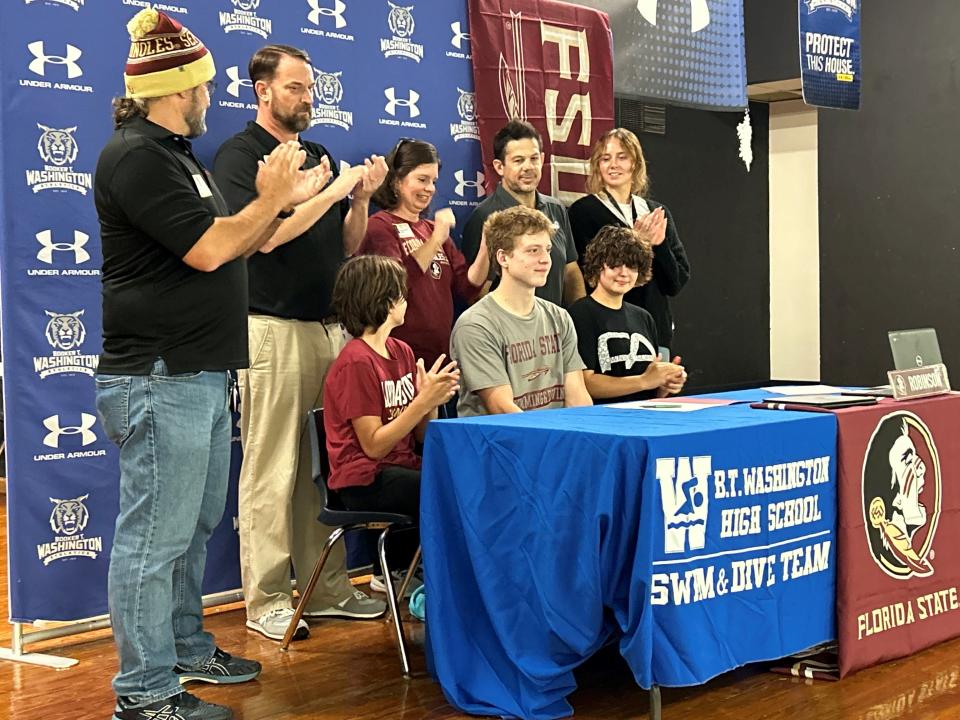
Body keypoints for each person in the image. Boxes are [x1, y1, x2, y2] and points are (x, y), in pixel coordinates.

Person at [94, 10, 308, 720]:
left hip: (200, 374)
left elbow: (230, 239)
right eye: (205, 85)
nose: (211, 96)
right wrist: (273, 199)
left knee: (192, 528)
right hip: (161, 377)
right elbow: (210, 250)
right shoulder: (136, 157)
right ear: (177, 88)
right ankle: (144, 693)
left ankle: (185, 645)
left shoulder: (179, 154)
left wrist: (274, 210)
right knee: (154, 541)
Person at [213, 44, 388, 643]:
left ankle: (327, 587)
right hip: (270, 328)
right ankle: (264, 599)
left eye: (310, 87)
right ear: (263, 91)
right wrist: (330, 192)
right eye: (294, 87)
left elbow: (346, 245)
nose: (307, 97)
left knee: (323, 467)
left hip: (327, 328)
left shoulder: (318, 155)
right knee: (269, 468)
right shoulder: (241, 156)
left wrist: (357, 198)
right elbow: (265, 237)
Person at [323, 255, 459, 581]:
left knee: (461, 476)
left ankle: (416, 572)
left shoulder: (402, 351)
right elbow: (373, 446)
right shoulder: (356, 361)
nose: (406, 299)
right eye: (400, 293)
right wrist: (420, 402)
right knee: (447, 487)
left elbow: (422, 436)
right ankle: (404, 573)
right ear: (382, 299)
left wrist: (431, 402)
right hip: (364, 479)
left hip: (399, 466)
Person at [359, 139, 488, 370]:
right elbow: (393, 286)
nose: (430, 188)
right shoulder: (380, 227)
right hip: (396, 359)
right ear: (397, 181)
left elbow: (468, 287)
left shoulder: (432, 229)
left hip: (439, 358)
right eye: (422, 179)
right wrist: (436, 239)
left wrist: (487, 245)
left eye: (434, 181)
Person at [450, 206, 592, 416]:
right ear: (503, 258)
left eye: (548, 250)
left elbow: (577, 397)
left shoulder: (559, 317)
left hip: (554, 439)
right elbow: (502, 408)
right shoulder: (476, 325)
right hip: (499, 444)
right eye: (533, 250)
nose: (545, 259)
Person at [568, 127, 690, 352]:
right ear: (597, 166)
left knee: (657, 387)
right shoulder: (582, 212)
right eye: (606, 158)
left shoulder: (657, 213)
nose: (613, 165)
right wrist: (638, 243)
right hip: (609, 330)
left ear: (635, 163)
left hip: (655, 331)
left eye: (622, 157)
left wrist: (660, 246)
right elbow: (591, 277)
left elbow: (675, 283)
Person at [460, 120, 585, 307]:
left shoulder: (557, 209)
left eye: (534, 158)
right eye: (518, 160)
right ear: (499, 166)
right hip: (508, 332)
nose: (528, 167)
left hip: (556, 330)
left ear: (542, 159)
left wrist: (581, 319)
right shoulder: (484, 216)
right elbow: (475, 293)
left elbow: (570, 271)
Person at [568, 226, 686, 404]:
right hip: (603, 420)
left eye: (632, 266)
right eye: (615, 264)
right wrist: (644, 381)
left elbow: (651, 390)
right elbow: (584, 383)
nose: (623, 273)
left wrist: (665, 382)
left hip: (644, 417)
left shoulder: (643, 317)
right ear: (598, 265)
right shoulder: (580, 314)